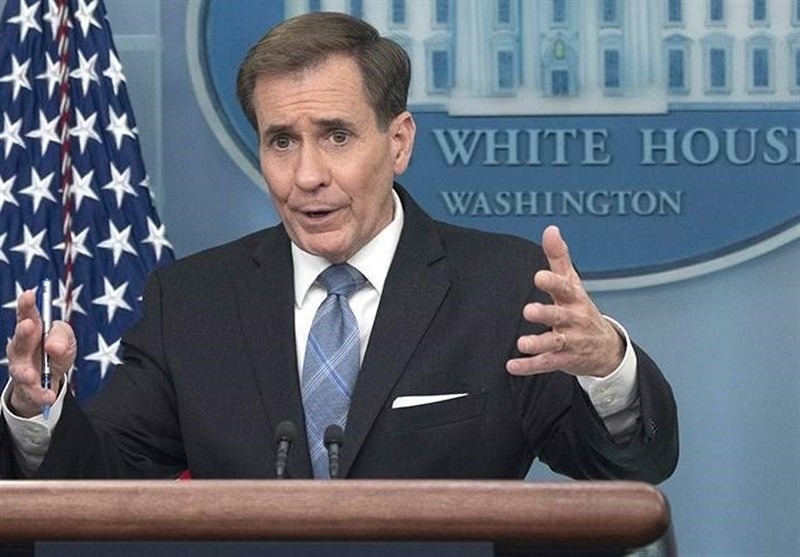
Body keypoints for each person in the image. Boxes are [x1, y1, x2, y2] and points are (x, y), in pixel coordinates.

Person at [0, 12, 677, 481]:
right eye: (282, 141)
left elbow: (628, 465)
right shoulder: (192, 302)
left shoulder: (502, 287)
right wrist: (35, 414)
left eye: (337, 136)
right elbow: (106, 479)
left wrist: (608, 368)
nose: (308, 176)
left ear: (398, 142)